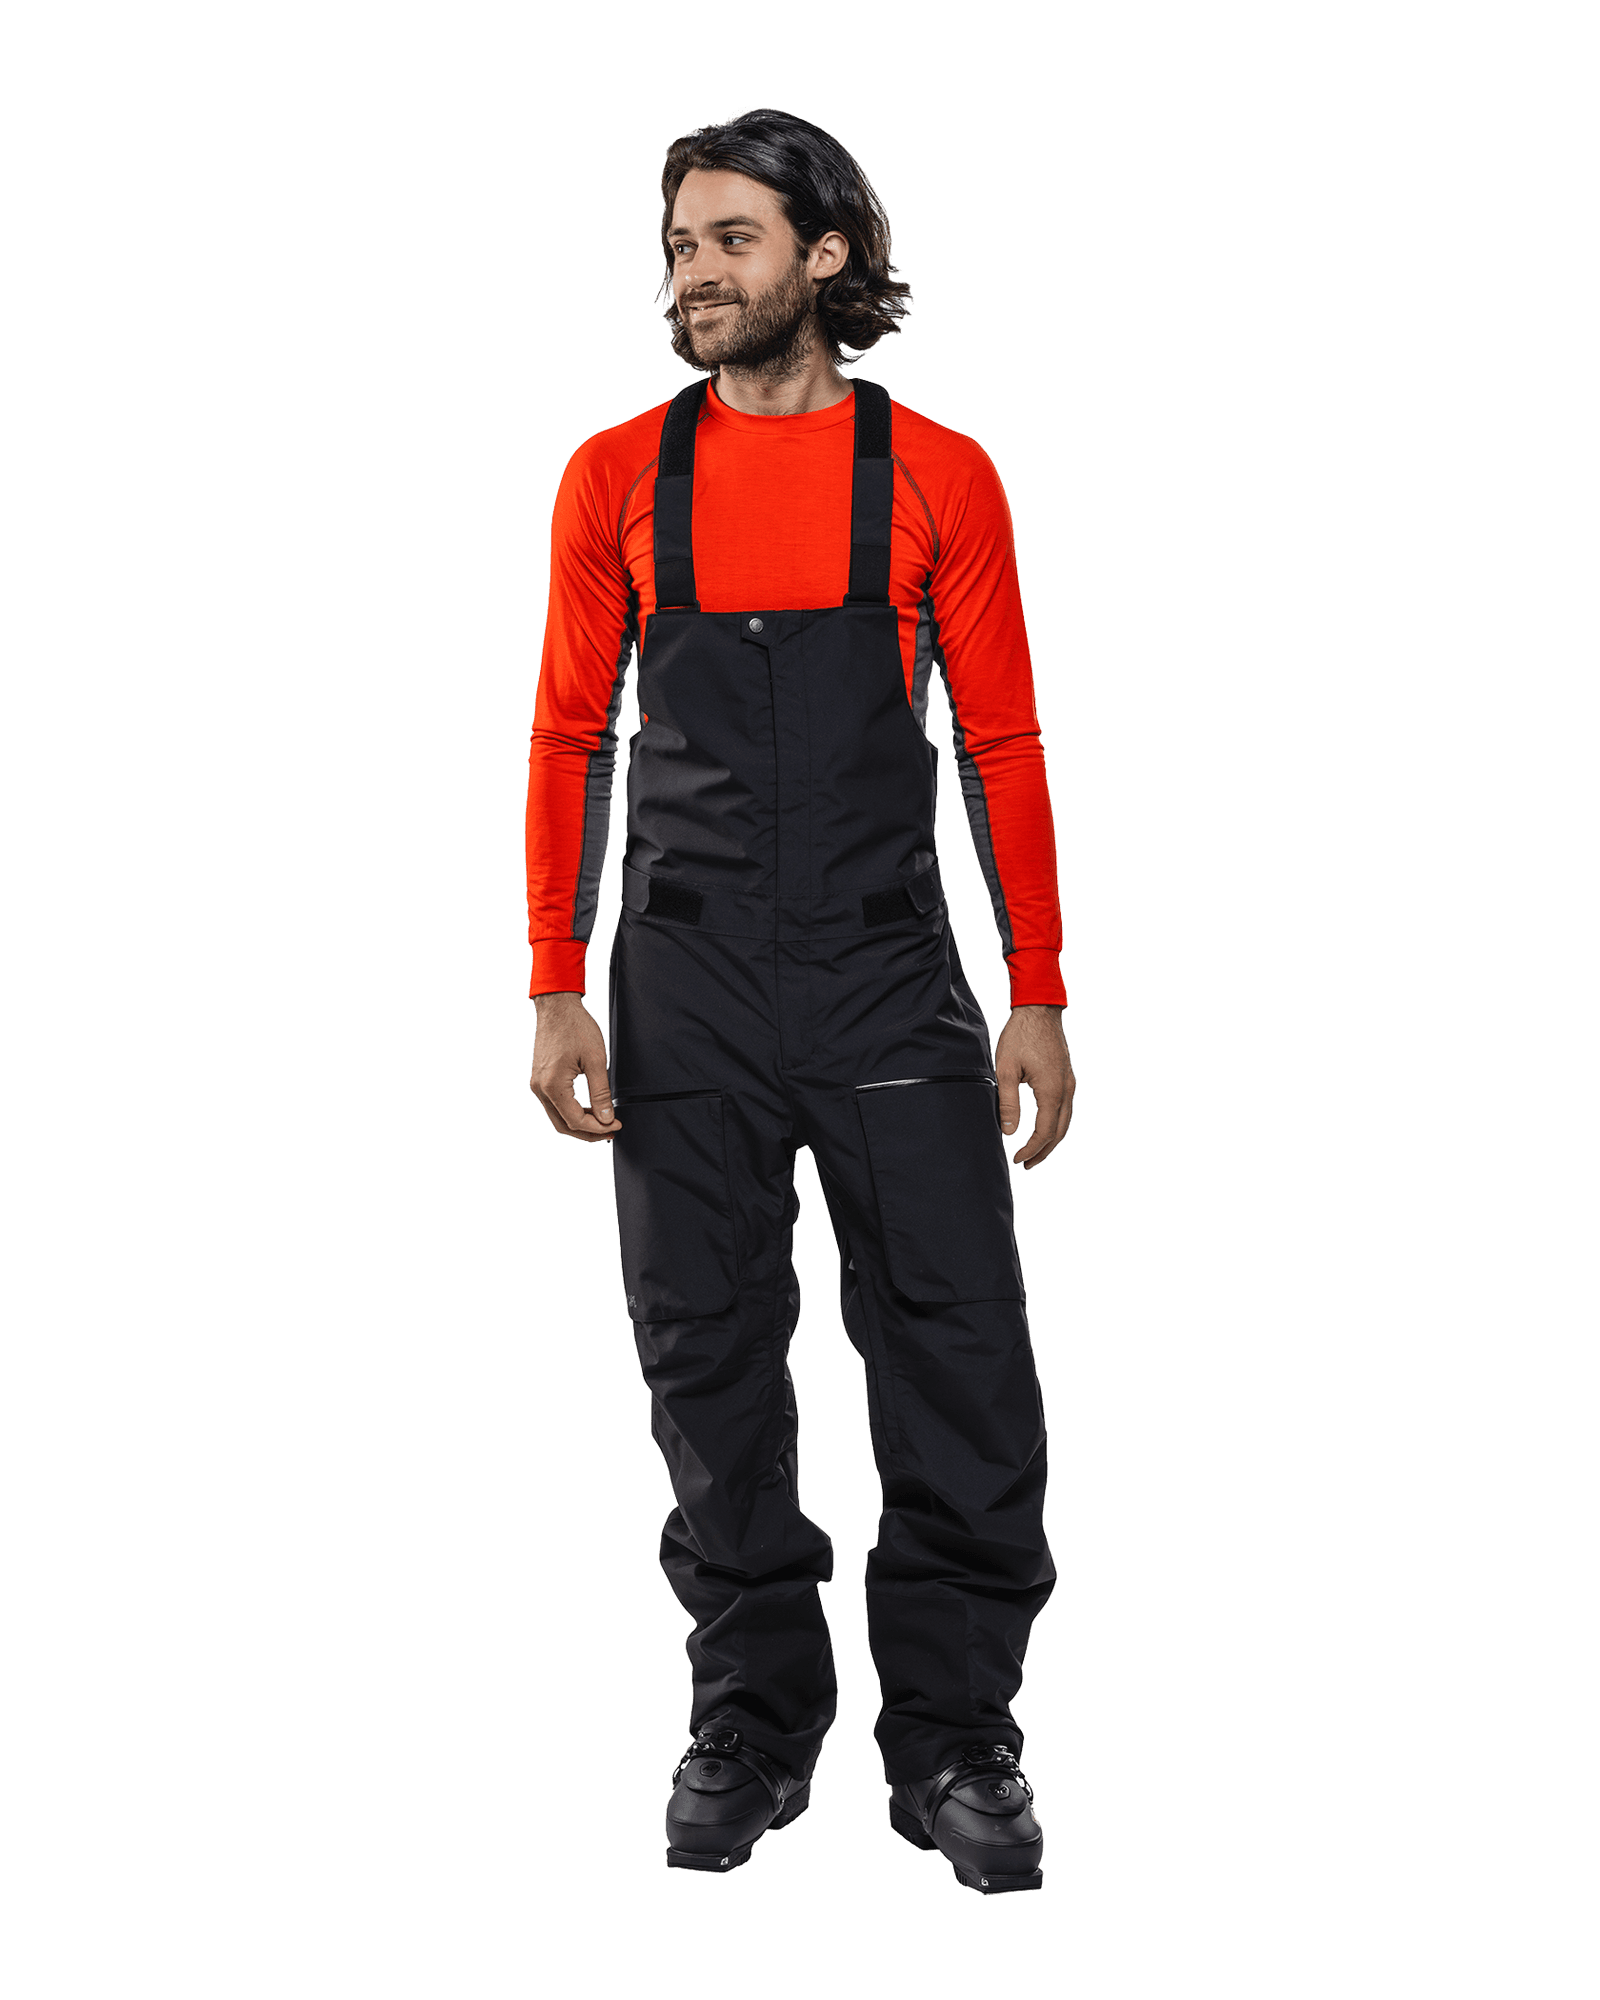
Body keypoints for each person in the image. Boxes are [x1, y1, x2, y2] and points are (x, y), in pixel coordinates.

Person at [524, 106, 1076, 1896]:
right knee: (705, 1359)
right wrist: (555, 983)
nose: (690, 274)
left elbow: (1000, 740)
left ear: (825, 255)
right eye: (678, 244)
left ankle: (958, 1740)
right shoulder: (616, 474)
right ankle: (751, 1728)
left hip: (887, 974)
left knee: (957, 1348)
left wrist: (1038, 991)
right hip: (679, 980)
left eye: (729, 240)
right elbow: (568, 738)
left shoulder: (941, 474)